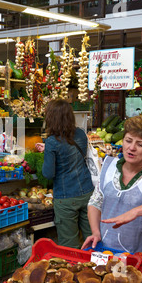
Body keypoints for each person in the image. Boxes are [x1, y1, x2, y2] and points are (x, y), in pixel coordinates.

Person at [81, 114, 142, 255]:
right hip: (105, 250)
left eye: (140, 144)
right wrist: (95, 232)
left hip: (140, 256)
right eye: (128, 140)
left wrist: (136, 211)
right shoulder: (108, 165)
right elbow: (95, 202)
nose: (131, 148)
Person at [41, 99, 94, 248]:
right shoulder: (81, 134)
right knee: (92, 238)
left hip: (66, 197)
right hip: (87, 191)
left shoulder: (52, 141)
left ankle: (73, 270)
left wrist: (47, 151)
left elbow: (48, 173)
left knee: (70, 244)